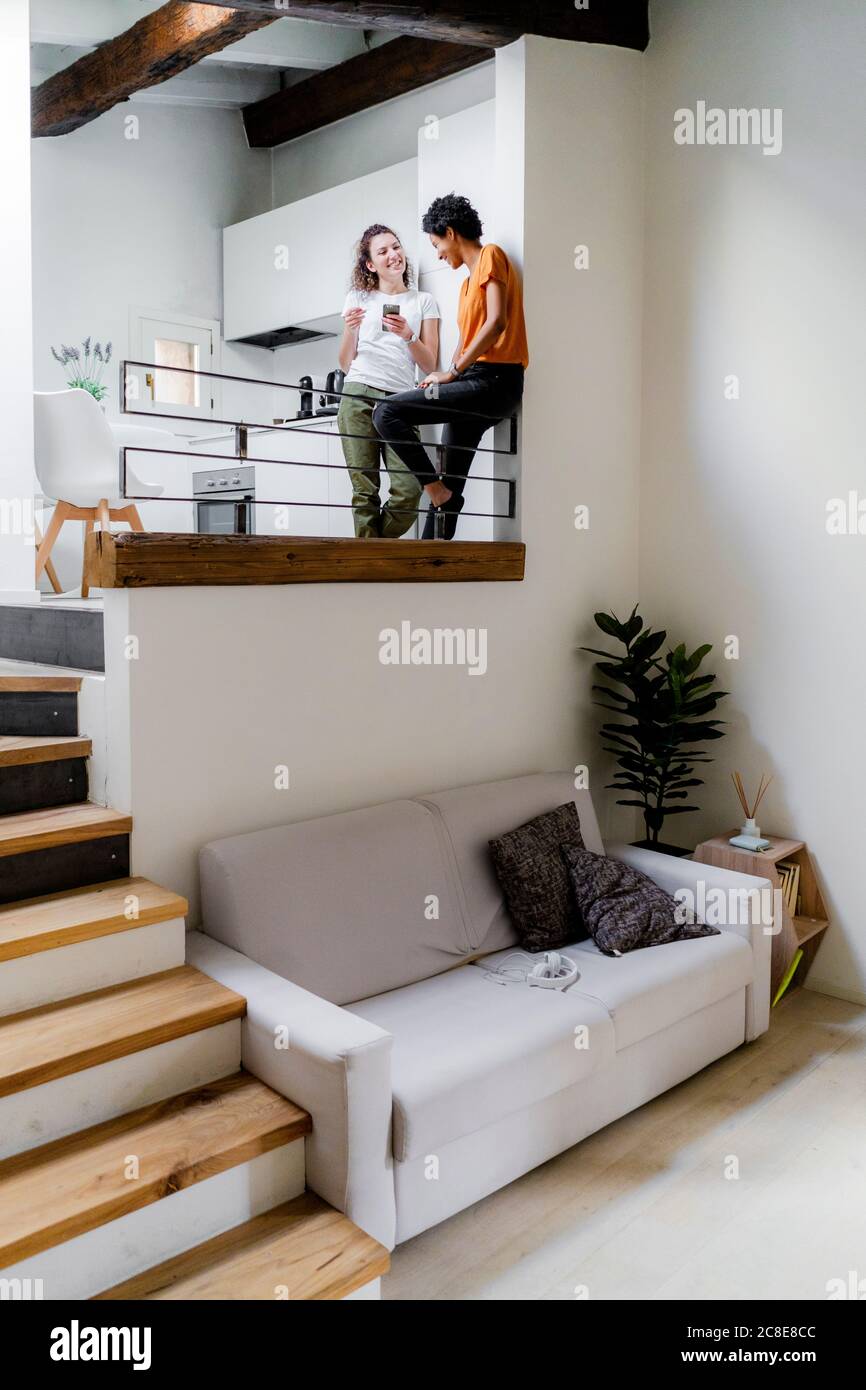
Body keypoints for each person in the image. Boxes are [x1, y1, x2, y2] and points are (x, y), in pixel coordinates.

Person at [372, 193, 528, 540]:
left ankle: (436, 491)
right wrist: (442, 377)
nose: (438, 253)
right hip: (472, 383)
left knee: (386, 412)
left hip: (495, 382)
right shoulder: (466, 285)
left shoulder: (491, 256)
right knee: (448, 493)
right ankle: (432, 558)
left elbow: (497, 323)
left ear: (452, 233)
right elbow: (466, 340)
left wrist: (452, 372)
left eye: (436, 243)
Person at [337, 224, 440, 538]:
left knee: (409, 490)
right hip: (357, 393)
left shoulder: (424, 301)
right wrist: (352, 330)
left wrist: (408, 335)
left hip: (399, 402)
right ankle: (369, 568)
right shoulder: (358, 298)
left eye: (396, 247)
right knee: (364, 492)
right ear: (370, 264)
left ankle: (370, 549)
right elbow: (344, 364)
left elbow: (430, 363)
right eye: (383, 251)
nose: (394, 255)